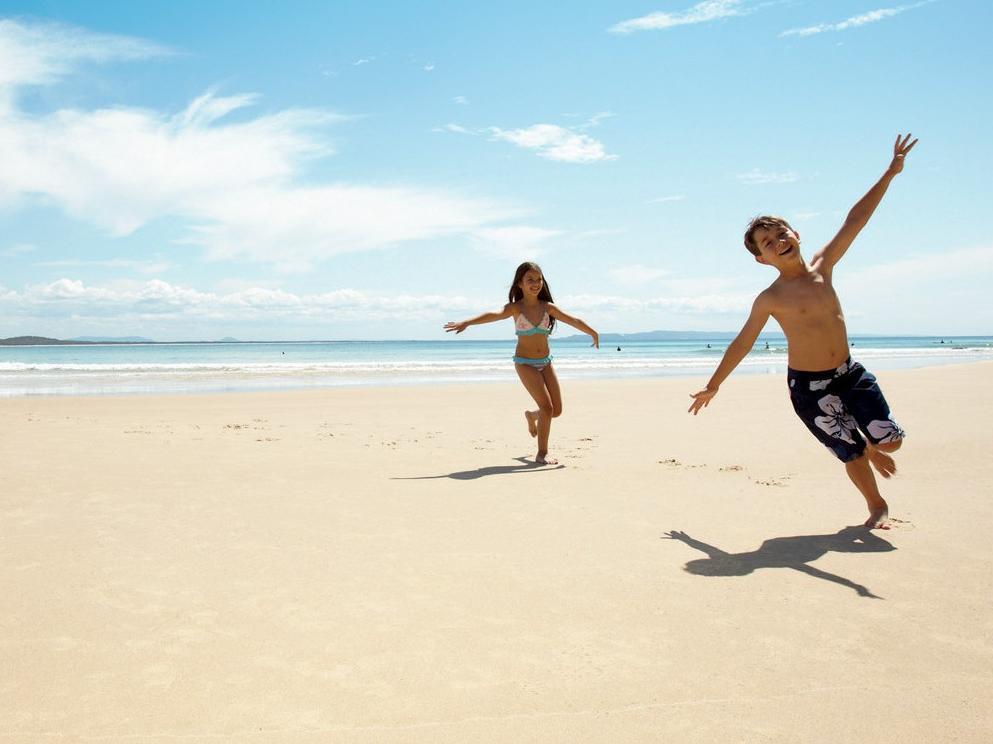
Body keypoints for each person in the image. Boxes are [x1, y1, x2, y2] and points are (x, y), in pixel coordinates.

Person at [688, 134, 918, 529]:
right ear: (761, 259)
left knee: (891, 440)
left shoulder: (823, 267)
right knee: (851, 453)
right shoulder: (770, 298)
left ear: (796, 234)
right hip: (810, 389)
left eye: (781, 233)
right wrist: (714, 385)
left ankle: (871, 444)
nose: (777, 242)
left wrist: (891, 173)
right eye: (767, 242)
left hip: (850, 374)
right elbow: (742, 344)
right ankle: (876, 505)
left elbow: (855, 220)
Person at [444, 261, 599, 465]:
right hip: (524, 363)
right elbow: (494, 315)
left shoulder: (548, 308)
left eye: (538, 279)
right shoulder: (516, 308)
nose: (535, 283)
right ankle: (542, 453)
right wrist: (468, 322)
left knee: (556, 410)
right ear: (520, 284)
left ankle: (532, 417)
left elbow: (573, 320)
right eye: (530, 280)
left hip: (546, 362)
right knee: (547, 407)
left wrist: (592, 332)